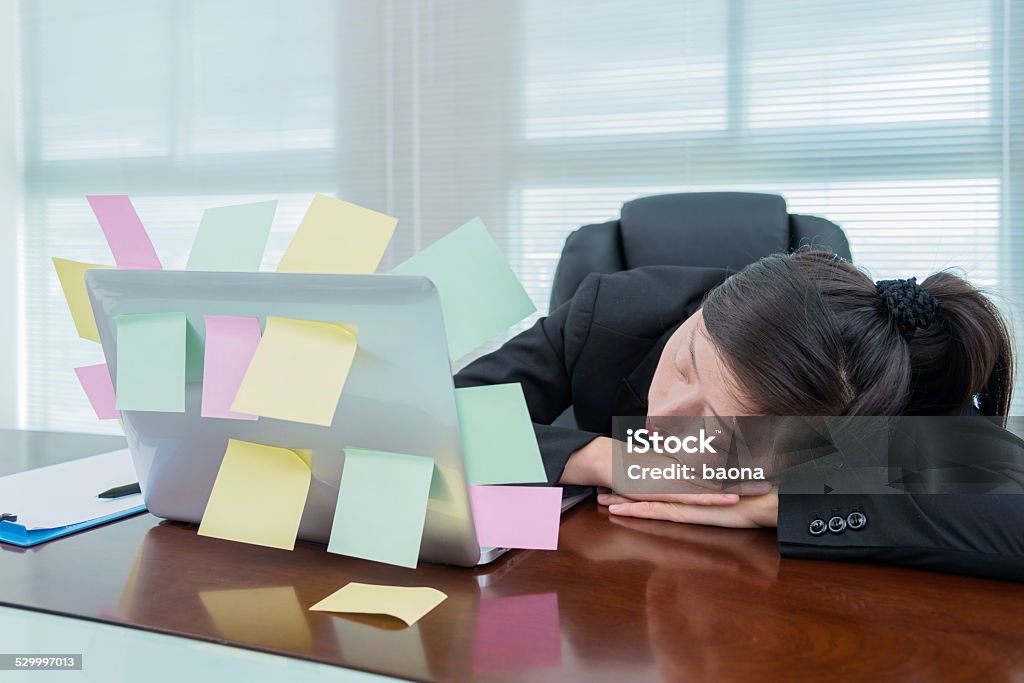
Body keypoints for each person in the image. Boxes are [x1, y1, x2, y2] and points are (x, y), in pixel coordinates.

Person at [454, 249, 1024, 580]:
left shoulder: (893, 395)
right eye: (686, 365)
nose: (665, 419)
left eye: (719, 425)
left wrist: (785, 506)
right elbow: (446, 411)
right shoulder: (612, 313)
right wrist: (604, 457)